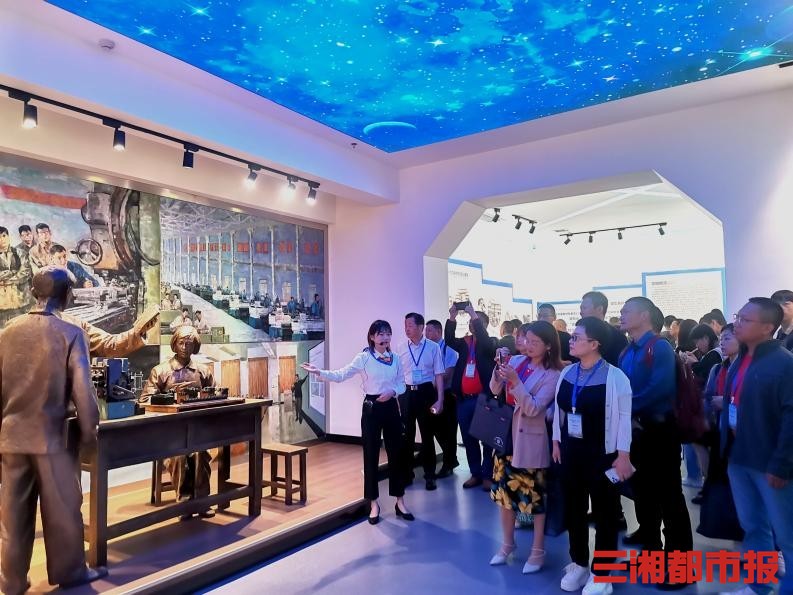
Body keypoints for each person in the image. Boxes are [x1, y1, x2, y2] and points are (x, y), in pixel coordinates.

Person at [0, 266, 107, 593]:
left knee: (12, 515)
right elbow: (84, 393)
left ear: (34, 292)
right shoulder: (70, 333)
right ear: (67, 295)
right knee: (63, 510)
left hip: (11, 439)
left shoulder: (6, 332)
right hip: (52, 439)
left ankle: (11, 581)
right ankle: (70, 572)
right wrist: (89, 434)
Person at [302, 320, 414, 524]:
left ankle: (400, 501)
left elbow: (401, 384)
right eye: (380, 334)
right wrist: (319, 372)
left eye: (388, 334)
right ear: (372, 337)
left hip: (391, 407)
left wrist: (393, 391)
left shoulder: (396, 358)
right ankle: (373, 503)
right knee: (370, 455)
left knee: (396, 454)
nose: (385, 338)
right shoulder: (364, 358)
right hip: (372, 408)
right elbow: (341, 374)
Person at [552, 317, 634, 594]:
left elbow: (624, 419)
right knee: (574, 510)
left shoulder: (616, 377)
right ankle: (579, 563)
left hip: (603, 455)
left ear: (595, 344)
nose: (571, 341)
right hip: (570, 452)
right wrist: (556, 441)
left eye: (577, 337)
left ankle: (602, 572)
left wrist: (623, 455)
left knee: (605, 514)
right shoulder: (568, 372)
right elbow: (560, 411)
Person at [719, 298, 793, 595]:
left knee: (787, 536)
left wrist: (782, 463)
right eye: (738, 316)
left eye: (745, 320)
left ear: (767, 327)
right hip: (740, 457)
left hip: (771, 463)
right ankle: (758, 586)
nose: (737, 323)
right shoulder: (740, 359)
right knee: (753, 527)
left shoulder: (784, 364)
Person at [619, 296, 692, 589]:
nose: (621, 314)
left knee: (669, 497)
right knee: (644, 497)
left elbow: (659, 389)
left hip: (660, 433)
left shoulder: (659, 347)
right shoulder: (627, 350)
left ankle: (681, 567)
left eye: (627, 310)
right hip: (635, 432)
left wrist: (625, 409)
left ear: (644, 315)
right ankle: (651, 556)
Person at [489, 321, 562, 575]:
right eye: (526, 340)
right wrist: (498, 371)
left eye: (534, 342)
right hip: (506, 436)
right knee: (504, 496)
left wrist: (515, 381)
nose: (528, 346)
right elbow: (494, 389)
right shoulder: (518, 361)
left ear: (549, 345)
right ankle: (507, 544)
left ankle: (537, 550)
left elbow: (533, 408)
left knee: (535, 498)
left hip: (530, 439)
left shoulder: (553, 374)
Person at [140, 326, 214, 520]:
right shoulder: (161, 371)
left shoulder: (203, 371)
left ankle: (202, 501)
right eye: (181, 343)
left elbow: (213, 396)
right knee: (179, 456)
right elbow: (144, 401)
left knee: (200, 453)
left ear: (195, 346)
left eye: (189, 344)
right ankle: (184, 503)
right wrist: (170, 397)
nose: (184, 347)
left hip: (196, 430)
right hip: (169, 433)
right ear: (174, 344)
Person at [445, 303, 497, 489]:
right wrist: (452, 317)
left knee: (487, 439)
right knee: (468, 438)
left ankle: (487, 475)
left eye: (477, 321)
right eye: (471, 321)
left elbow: (484, 339)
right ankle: (476, 473)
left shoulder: (490, 343)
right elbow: (449, 339)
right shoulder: (465, 343)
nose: (472, 324)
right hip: (464, 400)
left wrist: (474, 314)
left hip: (484, 398)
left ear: (484, 324)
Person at [398, 313, 445, 490]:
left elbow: (439, 375)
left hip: (426, 392)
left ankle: (430, 475)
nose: (407, 329)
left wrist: (440, 400)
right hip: (406, 393)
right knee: (407, 436)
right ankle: (407, 474)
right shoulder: (401, 347)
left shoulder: (433, 347)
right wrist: (397, 398)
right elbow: (398, 375)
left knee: (427, 435)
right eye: (405, 325)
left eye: (410, 325)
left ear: (420, 327)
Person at [425, 318, 460, 478]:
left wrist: (430, 380)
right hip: (431, 394)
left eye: (429, 330)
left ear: (439, 332)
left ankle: (448, 464)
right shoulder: (428, 349)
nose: (426, 333)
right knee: (434, 429)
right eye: (426, 330)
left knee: (448, 431)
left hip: (447, 395)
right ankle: (450, 459)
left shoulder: (449, 349)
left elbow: (447, 374)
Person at [580, 291, 628, 366]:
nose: (580, 312)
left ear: (599, 309)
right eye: (581, 308)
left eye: (584, 308)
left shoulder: (618, 337)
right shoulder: (579, 334)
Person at [0, 226, 33, 326]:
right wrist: (11, 273)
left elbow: (25, 271)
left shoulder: (20, 253)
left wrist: (9, 280)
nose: (2, 239)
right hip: (2, 305)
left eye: (4, 236)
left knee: (24, 327)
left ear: (8, 237)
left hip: (22, 301)